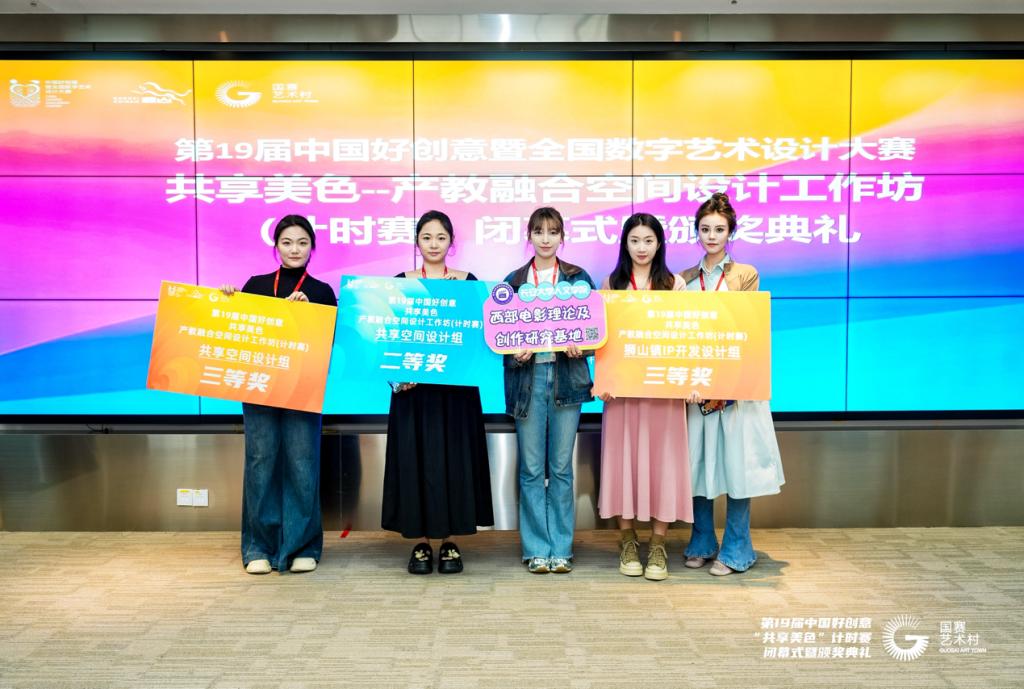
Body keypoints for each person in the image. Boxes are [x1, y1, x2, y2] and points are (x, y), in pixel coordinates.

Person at [219, 214, 337, 575]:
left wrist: (309, 314)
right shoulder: (255, 286)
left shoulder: (321, 291)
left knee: (302, 463)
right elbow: (233, 334)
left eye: (302, 242)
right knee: (260, 462)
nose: (294, 249)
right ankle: (259, 546)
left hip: (303, 388)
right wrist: (226, 303)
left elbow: (331, 345)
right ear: (276, 247)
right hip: (259, 387)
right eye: (287, 242)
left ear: (312, 247)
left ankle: (303, 546)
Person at [382, 210, 494, 574]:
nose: (433, 244)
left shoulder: (467, 282)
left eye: (441, 237)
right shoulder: (401, 283)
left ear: (451, 242)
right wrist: (397, 377)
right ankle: (419, 541)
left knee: (453, 461)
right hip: (413, 392)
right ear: (417, 241)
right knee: (415, 460)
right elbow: (387, 339)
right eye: (427, 237)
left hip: (455, 392)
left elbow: (480, 337)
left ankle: (449, 541)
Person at [680, 193, 785, 576]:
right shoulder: (683, 280)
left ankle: (738, 549)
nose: (711, 236)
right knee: (698, 466)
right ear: (696, 232)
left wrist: (728, 383)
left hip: (736, 389)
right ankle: (702, 541)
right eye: (705, 229)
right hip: (696, 387)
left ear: (730, 232)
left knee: (738, 468)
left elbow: (749, 330)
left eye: (719, 229)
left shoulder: (745, 275)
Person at [597, 213, 694, 581]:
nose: (641, 248)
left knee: (663, 463)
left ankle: (657, 543)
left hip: (663, 391)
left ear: (659, 244)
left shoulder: (675, 285)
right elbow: (602, 341)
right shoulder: (611, 284)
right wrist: (604, 378)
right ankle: (627, 540)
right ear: (625, 244)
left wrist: (688, 379)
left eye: (648, 240)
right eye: (634, 240)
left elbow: (686, 338)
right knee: (623, 461)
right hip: (621, 392)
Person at [503, 207, 596, 574]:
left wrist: (582, 347)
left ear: (562, 237)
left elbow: (595, 332)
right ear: (529, 236)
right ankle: (535, 549)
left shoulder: (578, 278)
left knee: (560, 468)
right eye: (539, 231)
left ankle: (561, 548)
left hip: (566, 379)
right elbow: (498, 339)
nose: (545, 239)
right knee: (530, 469)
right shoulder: (512, 282)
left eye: (553, 232)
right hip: (528, 381)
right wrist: (514, 352)